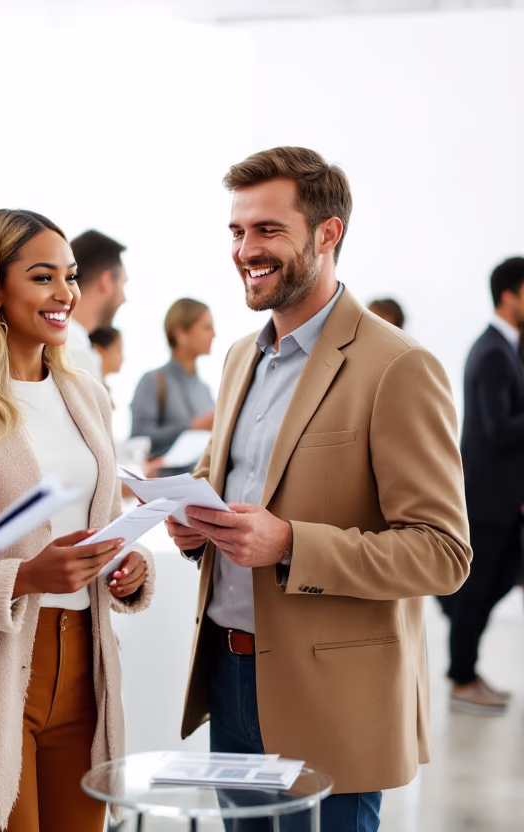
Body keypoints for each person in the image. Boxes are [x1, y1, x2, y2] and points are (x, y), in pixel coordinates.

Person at [166, 147, 471, 832]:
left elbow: (442, 553)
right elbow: (233, 483)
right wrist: (193, 523)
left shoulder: (399, 366)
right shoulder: (242, 355)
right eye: (237, 232)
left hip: (333, 697)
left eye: (268, 230)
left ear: (327, 234)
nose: (247, 250)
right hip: (229, 674)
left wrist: (290, 544)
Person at [0, 209, 154, 832]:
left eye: (71, 276)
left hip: (86, 668)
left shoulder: (87, 394)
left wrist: (130, 565)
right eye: (43, 277)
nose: (66, 295)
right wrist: (25, 576)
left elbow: (103, 520)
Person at [441, 256, 524, 715]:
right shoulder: (493, 350)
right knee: (476, 589)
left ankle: (463, 657)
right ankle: (462, 679)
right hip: (487, 497)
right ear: (510, 293)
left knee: (495, 582)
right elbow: (495, 428)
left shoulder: (509, 347)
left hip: (503, 498)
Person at [130, 298, 217, 457]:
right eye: (206, 328)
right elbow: (138, 437)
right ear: (180, 334)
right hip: (164, 480)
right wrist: (191, 426)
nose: (214, 335)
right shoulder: (153, 381)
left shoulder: (205, 390)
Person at [64, 230, 127, 381]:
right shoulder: (76, 355)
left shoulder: (68, 344)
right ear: (106, 281)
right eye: (123, 284)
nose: (124, 298)